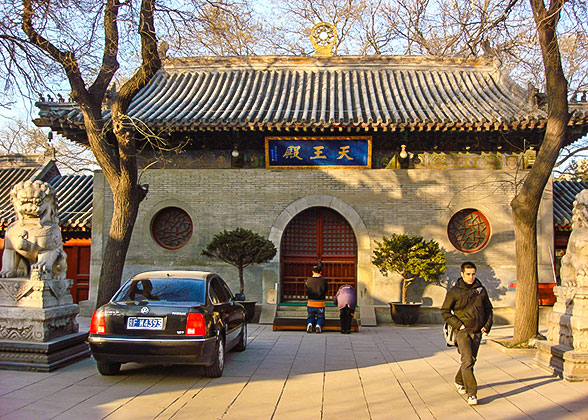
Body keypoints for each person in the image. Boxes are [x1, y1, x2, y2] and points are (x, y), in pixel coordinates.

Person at [440, 262, 493, 406]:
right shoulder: (454, 292)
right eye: (468, 274)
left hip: (478, 331)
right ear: (462, 274)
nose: (471, 277)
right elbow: (444, 311)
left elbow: (489, 309)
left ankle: (459, 380)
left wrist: (486, 326)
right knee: (468, 360)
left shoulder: (481, 290)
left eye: (473, 274)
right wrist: (459, 325)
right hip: (462, 331)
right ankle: (472, 393)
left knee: (471, 360)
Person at [305, 265, 329, 333]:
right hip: (320, 303)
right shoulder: (324, 280)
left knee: (310, 316)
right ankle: (318, 325)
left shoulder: (308, 280)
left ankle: (310, 324)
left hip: (311, 302)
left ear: (312, 272)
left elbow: (306, 289)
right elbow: (326, 289)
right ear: (320, 272)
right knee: (320, 317)